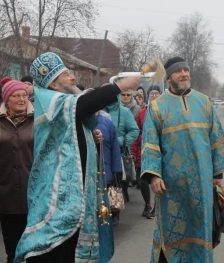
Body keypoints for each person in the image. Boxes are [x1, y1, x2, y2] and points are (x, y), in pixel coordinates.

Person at [14, 52, 141, 263]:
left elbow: (80, 117)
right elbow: (84, 104)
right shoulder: (51, 102)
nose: (73, 77)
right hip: (56, 201)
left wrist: (92, 138)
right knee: (52, 252)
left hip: (77, 200)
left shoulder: (70, 107)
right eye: (65, 74)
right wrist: (118, 86)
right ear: (54, 85)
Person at [140, 57, 224, 262]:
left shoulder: (204, 102)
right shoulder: (157, 107)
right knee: (170, 232)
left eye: (186, 70)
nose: (184, 74)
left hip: (201, 184)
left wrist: (217, 175)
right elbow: (150, 144)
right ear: (169, 77)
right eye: (178, 71)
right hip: (171, 186)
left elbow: (215, 138)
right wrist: (153, 175)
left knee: (200, 232)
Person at [0, 81, 33, 263]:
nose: (21, 99)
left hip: (34, 193)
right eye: (16, 95)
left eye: (24, 95)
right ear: (7, 98)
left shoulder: (38, 119)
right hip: (6, 193)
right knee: (12, 249)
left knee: (33, 248)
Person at [104, 91, 139, 225]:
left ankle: (115, 212)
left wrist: (120, 141)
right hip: (100, 152)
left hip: (117, 153)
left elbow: (135, 130)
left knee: (115, 182)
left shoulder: (124, 112)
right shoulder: (99, 111)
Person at [131, 84, 162, 218]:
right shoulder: (143, 112)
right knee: (143, 180)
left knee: (158, 180)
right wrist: (134, 151)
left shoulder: (165, 110)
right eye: (152, 94)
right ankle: (147, 204)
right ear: (148, 96)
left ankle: (157, 206)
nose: (154, 96)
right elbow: (136, 132)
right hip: (144, 151)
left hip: (160, 151)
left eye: (156, 93)